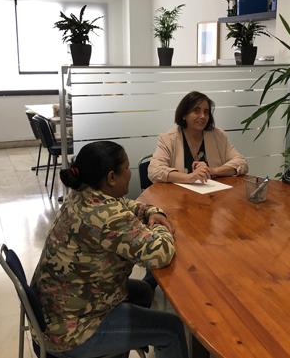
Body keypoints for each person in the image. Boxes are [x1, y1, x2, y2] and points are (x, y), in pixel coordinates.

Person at [31, 141, 187, 358]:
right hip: (72, 332)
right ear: (111, 177)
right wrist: (162, 227)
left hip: (58, 309)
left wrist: (152, 212)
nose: (130, 174)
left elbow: (125, 205)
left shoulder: (82, 193)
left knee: (143, 292)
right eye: (126, 169)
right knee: (172, 329)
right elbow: (160, 253)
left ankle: (122, 348)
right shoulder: (107, 216)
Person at [148, 91, 248, 184]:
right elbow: (154, 171)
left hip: (214, 196)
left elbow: (241, 163)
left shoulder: (218, 135)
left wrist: (213, 170)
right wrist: (189, 177)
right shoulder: (168, 139)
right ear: (184, 115)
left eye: (206, 112)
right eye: (196, 111)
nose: (203, 116)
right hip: (179, 197)